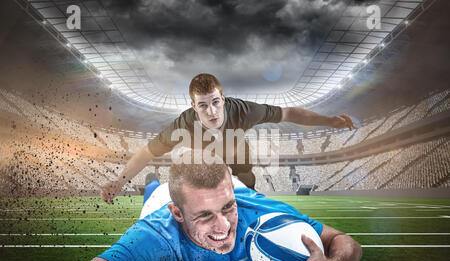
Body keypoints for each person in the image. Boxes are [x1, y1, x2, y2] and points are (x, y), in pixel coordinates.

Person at [56, 160, 362, 261]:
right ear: (177, 214)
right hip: (160, 199)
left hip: (233, 191)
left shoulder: (264, 214)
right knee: (155, 189)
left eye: (227, 208)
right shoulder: (154, 236)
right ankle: (154, 185)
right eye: (205, 215)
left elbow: (343, 241)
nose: (224, 226)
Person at [100, 73, 356, 202]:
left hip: (239, 166)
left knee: (245, 198)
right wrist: (120, 181)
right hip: (206, 165)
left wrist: (329, 121)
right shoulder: (184, 123)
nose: (211, 112)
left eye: (215, 103)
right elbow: (147, 152)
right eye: (203, 106)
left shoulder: (244, 111)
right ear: (192, 106)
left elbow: (288, 112)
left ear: (223, 99)